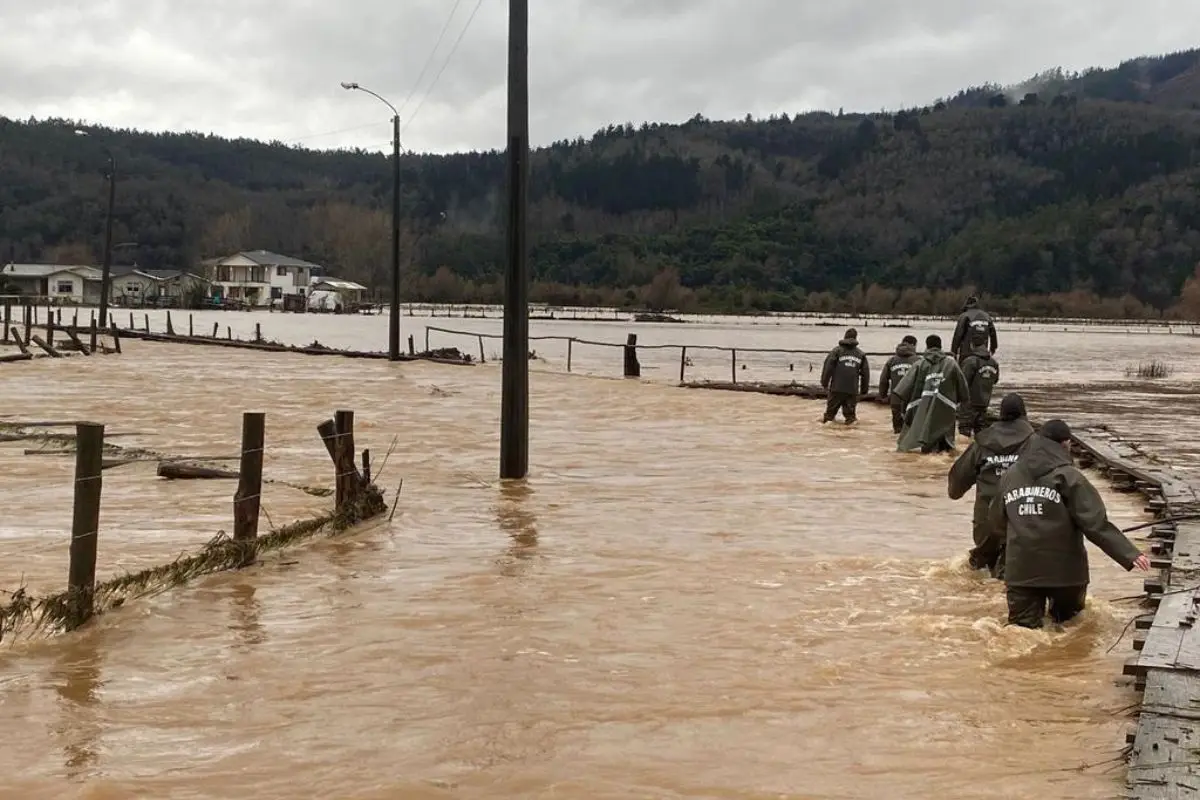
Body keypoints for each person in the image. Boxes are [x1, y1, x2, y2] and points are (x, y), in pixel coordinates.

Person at [988, 419, 1150, 628]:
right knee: (1071, 629)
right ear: (1065, 444)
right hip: (1065, 573)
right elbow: (1095, 523)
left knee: (1022, 632)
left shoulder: (1010, 475)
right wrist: (1129, 553)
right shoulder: (1070, 477)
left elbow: (995, 521)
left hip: (1021, 571)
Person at [947, 393, 1033, 578]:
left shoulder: (982, 443)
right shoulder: (1034, 443)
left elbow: (957, 483)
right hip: (1022, 520)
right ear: (1024, 415)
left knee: (985, 577)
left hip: (986, 524)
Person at [894, 334, 969, 453]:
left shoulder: (919, 364)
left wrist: (904, 411)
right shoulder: (952, 364)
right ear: (941, 347)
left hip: (921, 412)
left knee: (924, 449)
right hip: (945, 412)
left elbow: (902, 391)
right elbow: (964, 392)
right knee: (944, 451)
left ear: (927, 346)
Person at [820, 327, 869, 425]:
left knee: (829, 417)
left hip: (836, 388)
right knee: (851, 418)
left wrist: (824, 383)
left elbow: (828, 367)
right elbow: (865, 374)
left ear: (845, 336)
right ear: (856, 338)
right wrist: (864, 390)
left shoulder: (836, 351)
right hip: (852, 390)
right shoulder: (861, 354)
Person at [878, 335, 919, 434]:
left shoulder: (892, 361)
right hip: (912, 401)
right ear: (913, 345)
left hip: (895, 400)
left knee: (897, 431)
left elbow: (883, 380)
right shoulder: (918, 361)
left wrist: (883, 395)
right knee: (911, 431)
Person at [958, 343, 1001, 437]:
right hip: (984, 403)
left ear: (972, 345)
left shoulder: (970, 361)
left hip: (969, 404)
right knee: (981, 432)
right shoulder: (994, 363)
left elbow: (962, 382)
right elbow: (995, 380)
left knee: (964, 433)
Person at [951, 295, 998, 362]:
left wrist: (953, 352)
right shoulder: (987, 316)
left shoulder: (964, 316)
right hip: (984, 354)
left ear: (966, 305)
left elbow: (957, 336)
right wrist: (993, 349)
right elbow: (993, 335)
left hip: (966, 355)